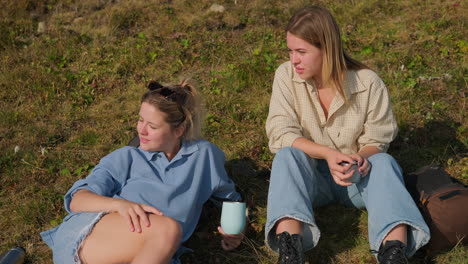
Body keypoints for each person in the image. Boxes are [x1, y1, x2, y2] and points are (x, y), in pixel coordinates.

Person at [264, 6, 430, 264]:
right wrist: (327, 154)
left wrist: (362, 157)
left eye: (301, 52)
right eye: (290, 50)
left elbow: (379, 137)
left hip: (355, 179)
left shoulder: (368, 82)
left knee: (384, 163)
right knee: (286, 156)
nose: (293, 59)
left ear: (326, 49)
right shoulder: (286, 76)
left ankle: (393, 252)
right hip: (308, 183)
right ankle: (290, 252)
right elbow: (279, 132)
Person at [40, 80, 244, 264]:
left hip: (148, 252)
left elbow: (230, 199)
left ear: (179, 130)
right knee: (169, 229)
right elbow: (77, 200)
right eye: (140, 120)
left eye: (152, 126)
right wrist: (120, 205)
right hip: (91, 238)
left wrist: (235, 230)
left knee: (167, 232)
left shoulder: (204, 156)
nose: (141, 131)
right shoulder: (128, 157)